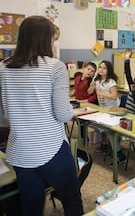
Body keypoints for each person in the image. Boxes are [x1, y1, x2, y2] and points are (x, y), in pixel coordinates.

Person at [0, 15, 83, 215]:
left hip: (20, 151)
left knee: (31, 204)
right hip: (51, 147)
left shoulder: (3, 68)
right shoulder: (55, 66)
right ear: (46, 39)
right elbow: (63, 114)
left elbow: (3, 118)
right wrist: (72, 110)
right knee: (71, 200)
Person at [90, 61, 127, 164]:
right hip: (103, 109)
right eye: (100, 67)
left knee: (110, 132)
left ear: (108, 70)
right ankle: (105, 145)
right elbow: (89, 92)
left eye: (104, 68)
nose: (101, 69)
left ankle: (120, 156)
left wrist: (103, 93)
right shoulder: (97, 80)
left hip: (113, 110)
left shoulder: (111, 82)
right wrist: (92, 86)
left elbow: (114, 96)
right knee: (96, 126)